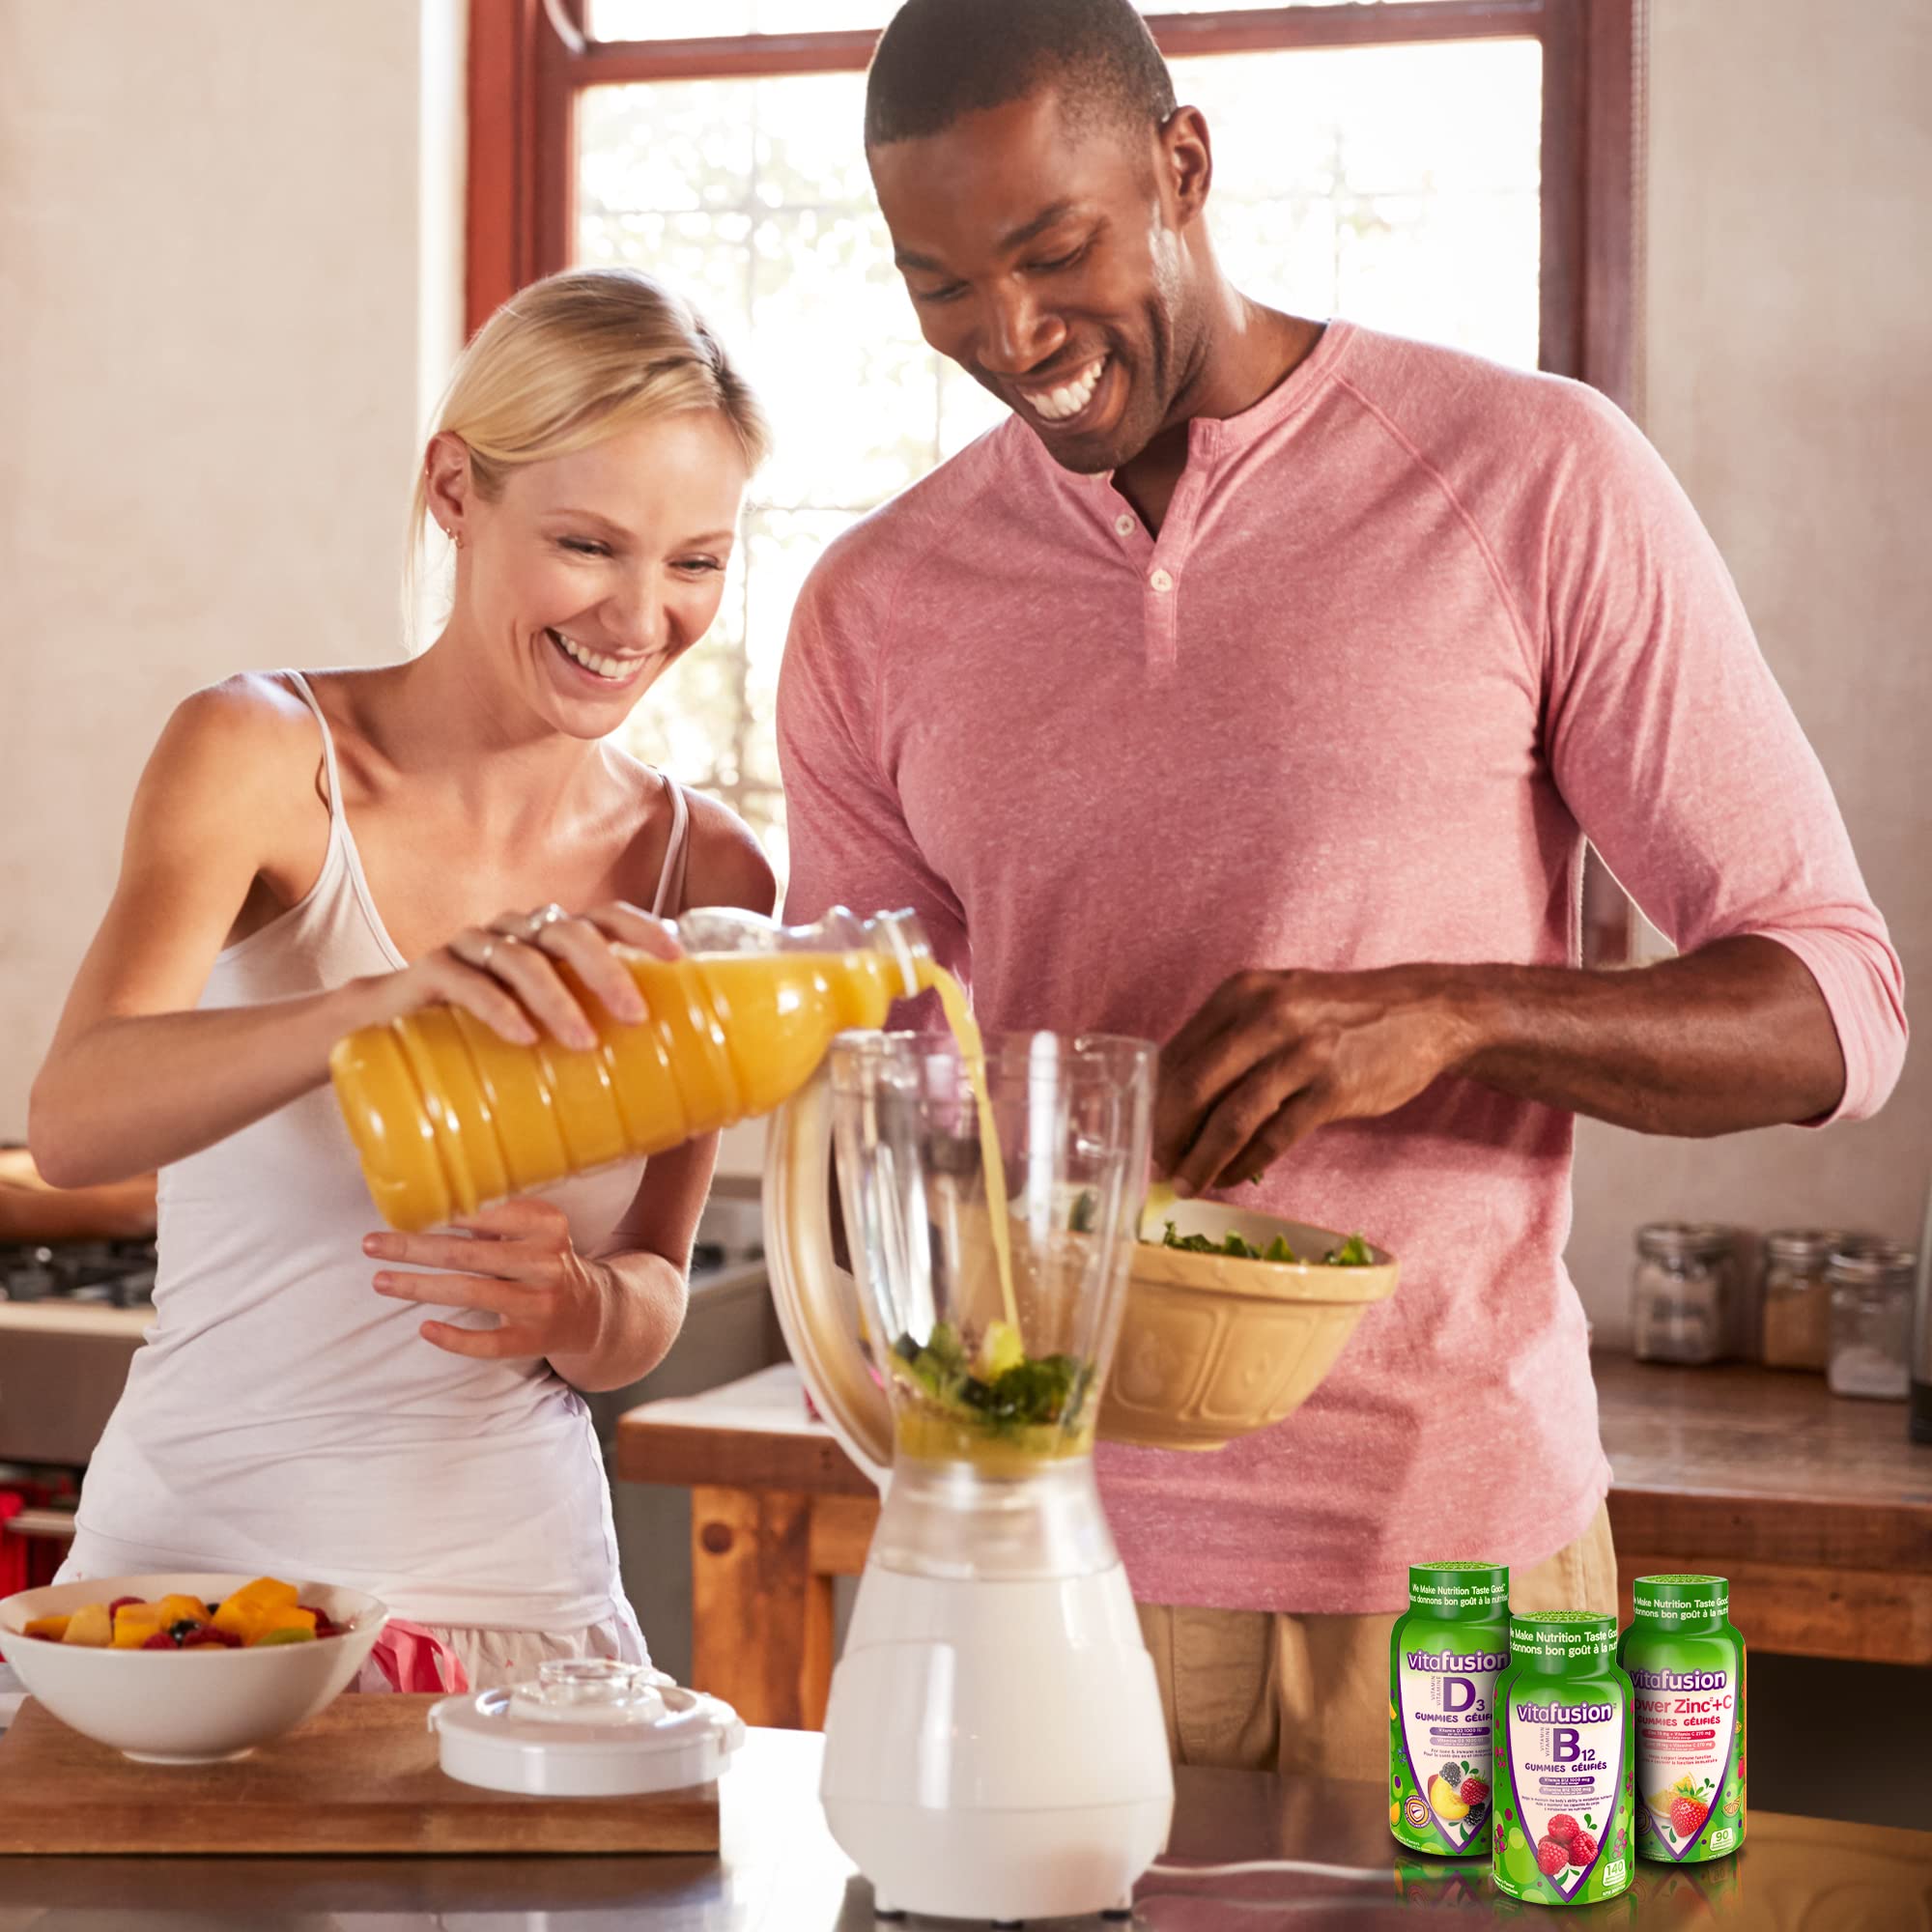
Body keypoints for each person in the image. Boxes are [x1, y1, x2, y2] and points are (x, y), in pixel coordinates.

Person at [776, 0, 1906, 1776]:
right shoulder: (871, 610)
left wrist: (1449, 1011)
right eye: (937, 286)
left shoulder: (1536, 478)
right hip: (1031, 1578)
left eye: (1054, 249)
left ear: (1184, 166)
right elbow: (855, 1110)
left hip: (1458, 1580)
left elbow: (1837, 1010)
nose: (1009, 335)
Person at [30, 268, 777, 1690]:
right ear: (454, 488)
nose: (639, 616)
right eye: (587, 544)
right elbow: (72, 1122)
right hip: (196, 1599)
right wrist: (386, 1002)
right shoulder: (263, 754)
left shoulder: (709, 872)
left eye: (694, 561)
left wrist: (580, 1312)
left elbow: (652, 1294)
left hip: (530, 1601)